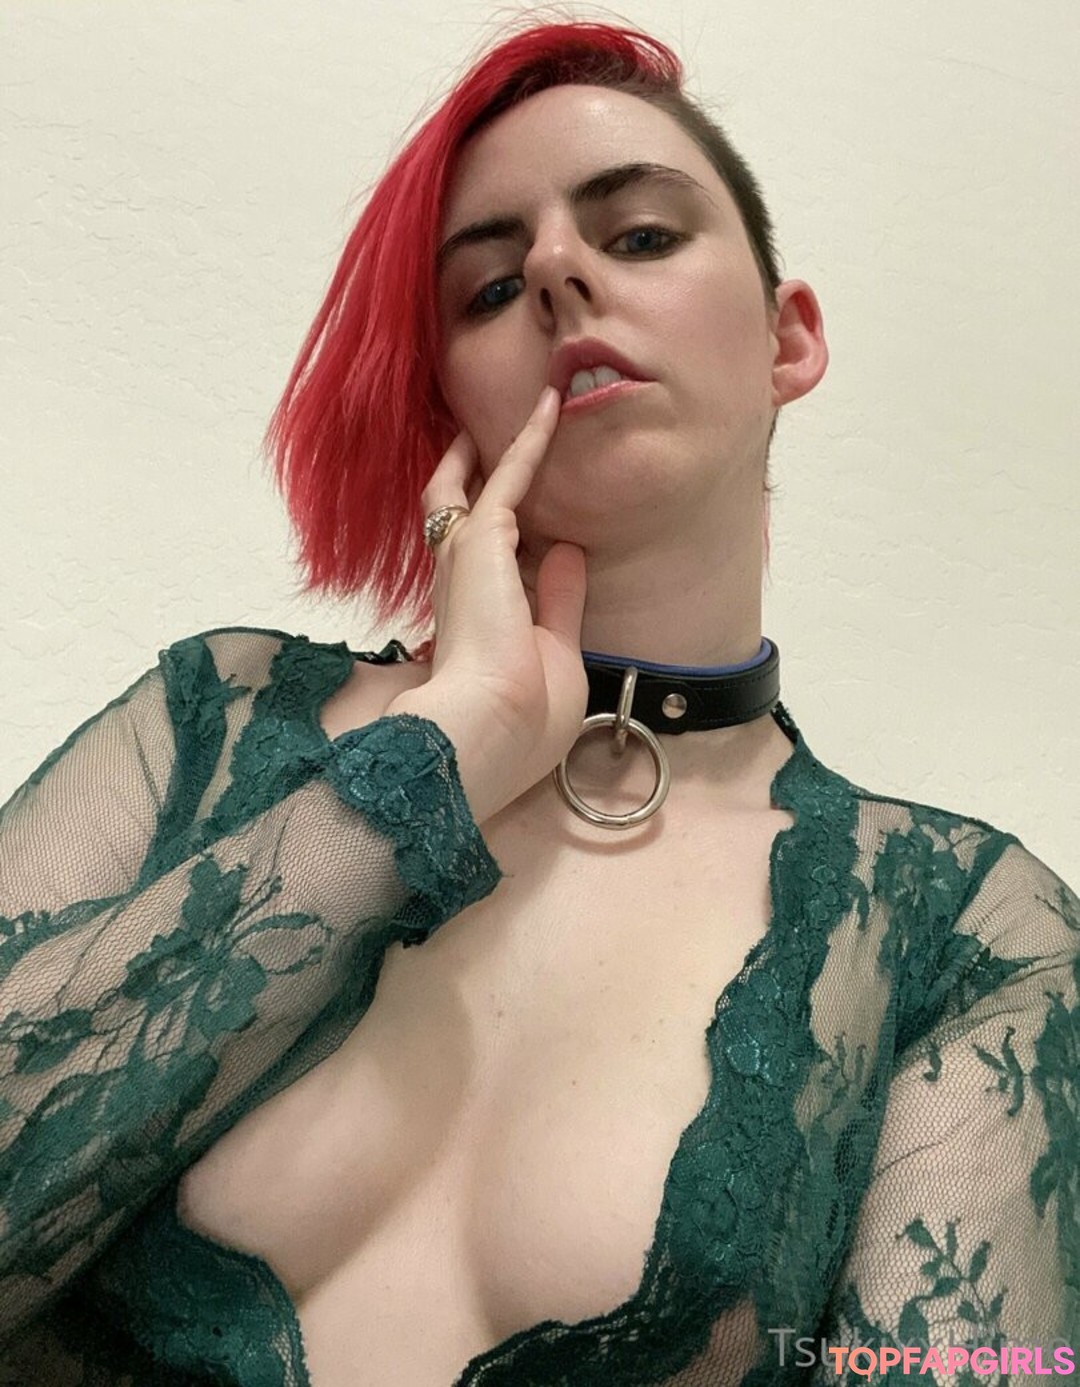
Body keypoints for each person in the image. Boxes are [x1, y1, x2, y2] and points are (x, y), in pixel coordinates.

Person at [0, 18, 1075, 1387]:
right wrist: (437, 755)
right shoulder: (210, 718)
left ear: (788, 341)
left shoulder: (970, 932)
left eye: (641, 235)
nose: (561, 271)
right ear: (450, 398)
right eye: (492, 286)